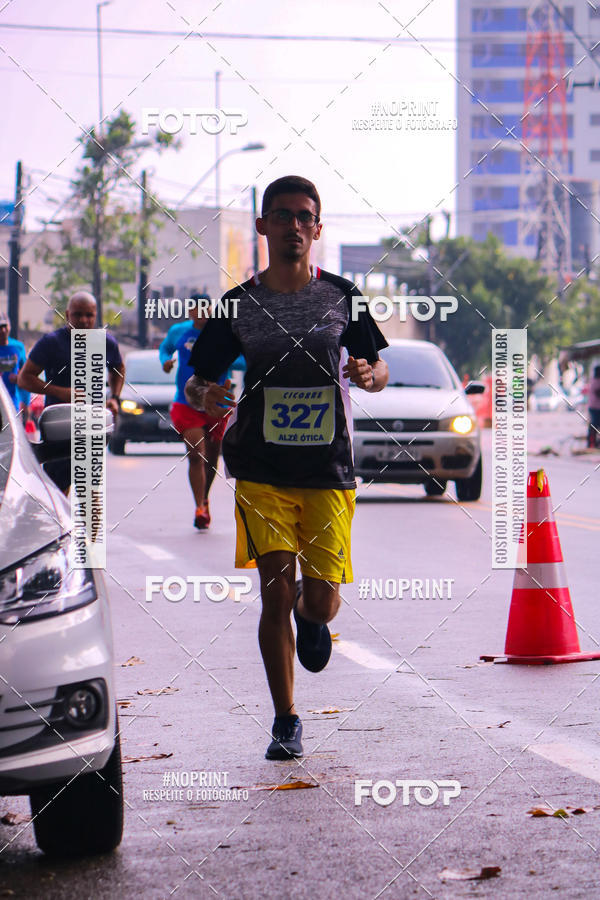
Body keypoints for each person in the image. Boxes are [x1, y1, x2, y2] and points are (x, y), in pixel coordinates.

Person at [185, 175, 389, 760]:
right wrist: (206, 394)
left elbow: (375, 369)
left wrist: (368, 375)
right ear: (263, 227)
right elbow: (201, 378)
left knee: (318, 600)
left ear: (317, 229)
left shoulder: (342, 297)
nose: (294, 227)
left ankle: (315, 616)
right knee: (273, 591)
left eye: (304, 217)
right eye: (282, 216)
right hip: (260, 470)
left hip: (328, 468)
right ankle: (285, 720)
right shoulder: (239, 306)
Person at [18, 291, 125, 492]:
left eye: (89, 315)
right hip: (59, 424)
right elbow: (25, 378)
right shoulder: (51, 342)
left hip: (92, 424)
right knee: (58, 486)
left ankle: (85, 525)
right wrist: (60, 392)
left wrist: (115, 398)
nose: (84, 320)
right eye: (77, 314)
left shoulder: (105, 343)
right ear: (67, 315)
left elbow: (118, 369)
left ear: (95, 315)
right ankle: (59, 523)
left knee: (90, 486)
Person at [159, 294, 233, 529]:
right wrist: (166, 361)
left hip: (216, 402)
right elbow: (165, 348)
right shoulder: (179, 331)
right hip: (186, 401)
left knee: (212, 458)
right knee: (195, 454)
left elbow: (241, 357)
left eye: (206, 310)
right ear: (190, 311)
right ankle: (199, 506)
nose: (201, 314)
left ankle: (204, 498)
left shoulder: (223, 331)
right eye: (197, 310)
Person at [0, 312, 30, 421]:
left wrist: (26, 403)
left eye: (4, 326)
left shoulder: (18, 347)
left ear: (9, 326)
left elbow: (26, 375)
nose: (2, 331)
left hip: (13, 404)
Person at [587, 364, 600, 449]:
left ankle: (594, 443)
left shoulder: (594, 380)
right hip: (596, 407)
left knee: (594, 426)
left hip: (593, 406)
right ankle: (592, 443)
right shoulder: (596, 381)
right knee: (594, 426)